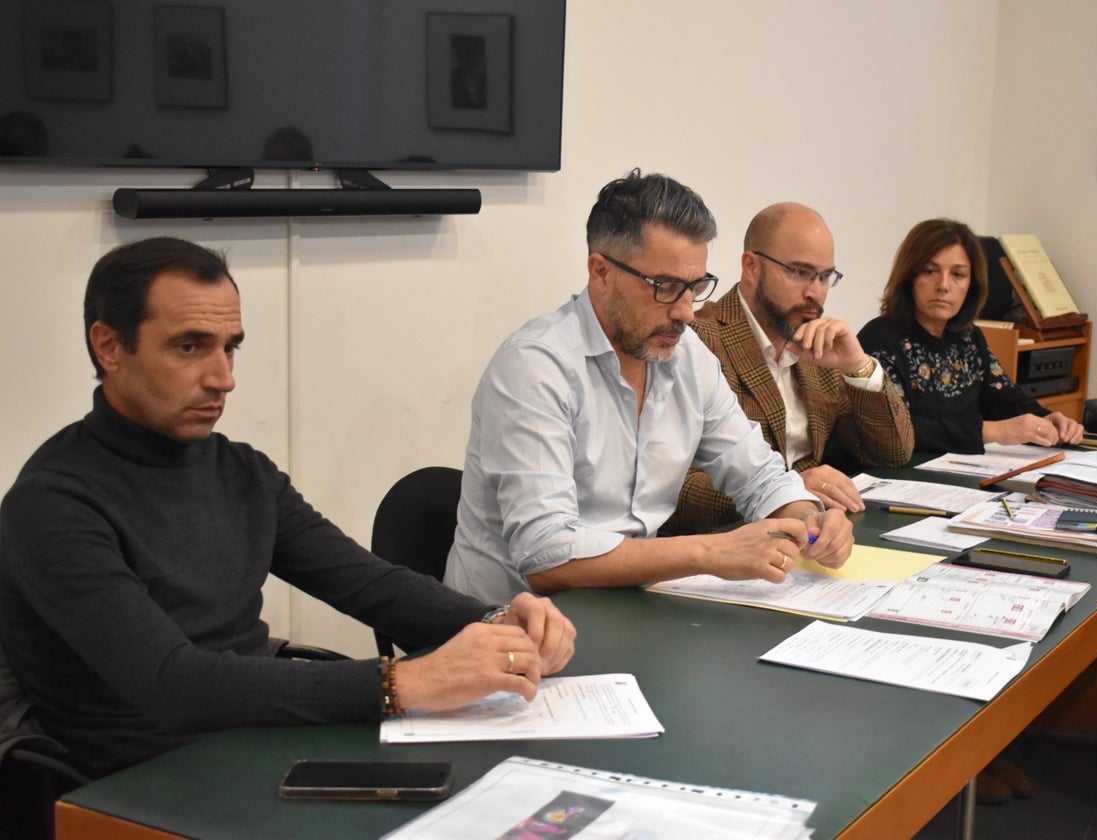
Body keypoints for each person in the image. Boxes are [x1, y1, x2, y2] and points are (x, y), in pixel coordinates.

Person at [0, 237, 576, 778]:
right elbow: (171, 684)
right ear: (109, 346)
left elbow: (371, 586)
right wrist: (401, 683)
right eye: (189, 346)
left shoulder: (241, 471)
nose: (223, 378)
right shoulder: (52, 503)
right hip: (139, 785)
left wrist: (497, 622)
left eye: (230, 348)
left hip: (259, 749)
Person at [444, 170, 854, 605]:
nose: (686, 312)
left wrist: (811, 519)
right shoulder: (534, 367)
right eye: (666, 287)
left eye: (695, 287)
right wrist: (710, 551)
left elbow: (760, 477)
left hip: (627, 609)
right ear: (600, 272)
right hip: (507, 629)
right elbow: (547, 556)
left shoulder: (688, 357)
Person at [666, 202, 914, 534]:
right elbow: (672, 488)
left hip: (814, 535)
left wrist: (858, 367)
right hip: (729, 545)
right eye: (800, 272)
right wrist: (788, 489)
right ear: (751, 266)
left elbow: (893, 454)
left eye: (825, 277)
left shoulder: (817, 345)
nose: (816, 293)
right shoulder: (697, 343)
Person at [857, 218, 1083, 456]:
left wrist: (1046, 419)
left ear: (971, 284)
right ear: (909, 276)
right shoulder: (880, 339)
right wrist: (995, 432)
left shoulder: (969, 338)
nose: (943, 286)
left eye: (958, 274)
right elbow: (895, 429)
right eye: (930, 271)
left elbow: (1003, 396)